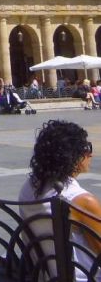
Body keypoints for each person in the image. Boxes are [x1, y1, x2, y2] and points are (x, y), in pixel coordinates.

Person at [19, 120, 101, 280]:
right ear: (72, 157)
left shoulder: (29, 187)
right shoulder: (80, 200)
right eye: (86, 148)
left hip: (47, 274)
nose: (90, 153)